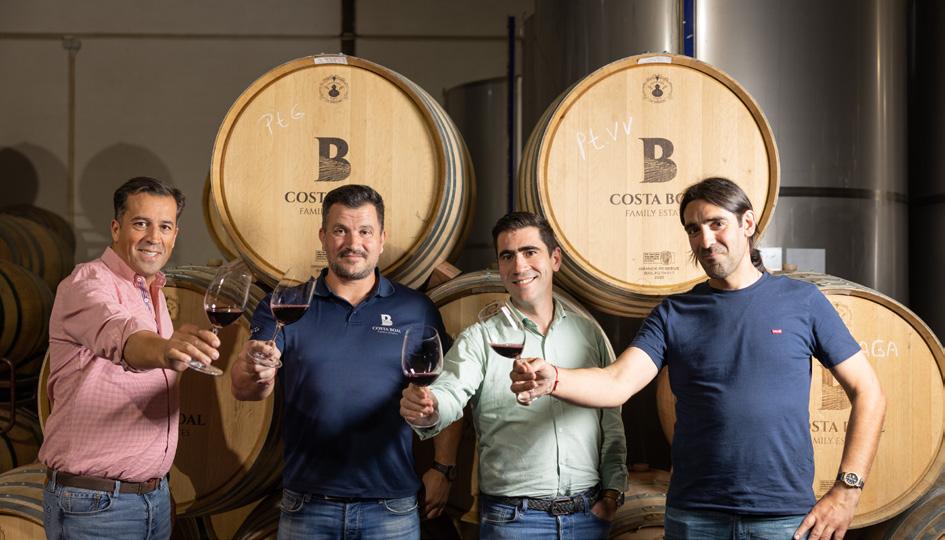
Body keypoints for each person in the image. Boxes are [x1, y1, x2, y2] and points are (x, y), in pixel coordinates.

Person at [510, 177, 887, 540]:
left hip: (783, 519)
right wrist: (554, 378)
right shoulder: (674, 313)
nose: (705, 240)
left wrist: (847, 490)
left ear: (747, 223)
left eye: (716, 224)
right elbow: (617, 382)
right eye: (693, 229)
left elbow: (868, 392)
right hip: (695, 518)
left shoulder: (802, 302)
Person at [232, 184, 461, 540]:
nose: (353, 243)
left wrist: (443, 467)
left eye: (365, 231)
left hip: (391, 507)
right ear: (323, 236)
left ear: (381, 239)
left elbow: (446, 391)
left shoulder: (416, 309)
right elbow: (245, 387)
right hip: (307, 505)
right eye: (340, 230)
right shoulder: (287, 304)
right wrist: (254, 370)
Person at [400, 211, 628, 540]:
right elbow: (450, 391)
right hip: (515, 521)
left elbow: (611, 420)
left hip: (587, 517)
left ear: (555, 259)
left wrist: (612, 493)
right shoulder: (481, 337)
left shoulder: (588, 333)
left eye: (529, 252)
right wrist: (430, 407)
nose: (519, 266)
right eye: (507, 256)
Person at [40, 176, 222, 540]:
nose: (154, 237)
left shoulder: (152, 290)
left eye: (165, 227)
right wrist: (166, 350)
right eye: (141, 224)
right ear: (115, 228)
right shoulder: (87, 285)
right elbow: (123, 337)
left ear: (174, 235)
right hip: (96, 504)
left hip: (152, 499)